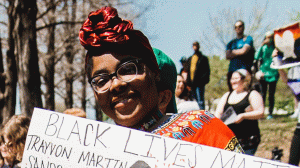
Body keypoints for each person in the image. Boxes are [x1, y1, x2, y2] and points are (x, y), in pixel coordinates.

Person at [79, 6, 243, 152]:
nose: (116, 84)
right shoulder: (89, 150)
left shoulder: (204, 129)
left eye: (128, 69)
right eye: (101, 81)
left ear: (154, 72)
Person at [215, 69, 264, 155]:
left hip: (248, 141)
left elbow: (260, 112)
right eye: (232, 78)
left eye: (236, 78)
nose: (233, 81)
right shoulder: (227, 95)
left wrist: (243, 116)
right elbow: (218, 113)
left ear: (245, 79)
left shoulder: (252, 94)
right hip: (230, 140)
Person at [254, 31, 279, 120]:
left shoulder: (276, 47)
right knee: (262, 94)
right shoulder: (263, 47)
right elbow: (256, 57)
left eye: (271, 37)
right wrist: (261, 45)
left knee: (271, 94)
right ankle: (261, 113)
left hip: (273, 72)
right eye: (267, 37)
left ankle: (270, 113)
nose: (269, 39)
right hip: (263, 73)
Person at [226, 20, 255, 91]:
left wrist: (232, 52)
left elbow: (244, 51)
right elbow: (227, 56)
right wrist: (239, 51)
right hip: (232, 70)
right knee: (232, 93)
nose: (238, 28)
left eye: (240, 26)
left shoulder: (248, 39)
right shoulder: (231, 43)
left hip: (244, 70)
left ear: (243, 27)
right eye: (236, 27)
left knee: (246, 92)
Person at [184, 41, 210, 110]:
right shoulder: (190, 58)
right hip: (192, 84)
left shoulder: (203, 58)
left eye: (196, 45)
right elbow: (188, 70)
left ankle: (202, 114)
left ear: (198, 46)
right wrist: (188, 82)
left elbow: (206, 70)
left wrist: (203, 80)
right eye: (193, 45)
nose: (195, 46)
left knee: (200, 101)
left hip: (199, 83)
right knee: (194, 101)